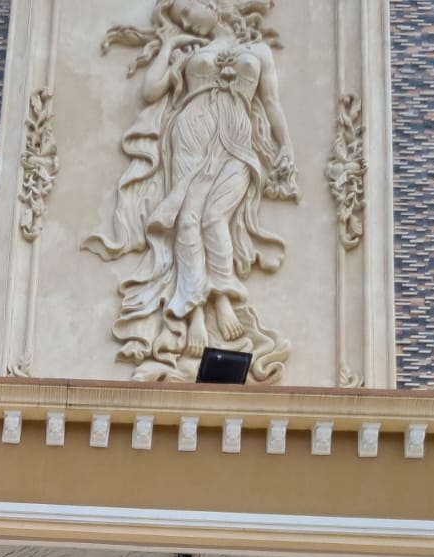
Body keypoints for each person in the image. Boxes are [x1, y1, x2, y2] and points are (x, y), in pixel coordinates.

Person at [84, 0, 298, 384]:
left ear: (211, 4)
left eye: (186, 11)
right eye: (180, 18)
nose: (186, 21)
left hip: (237, 137)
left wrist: (286, 147)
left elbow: (271, 102)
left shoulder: (259, 51)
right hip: (191, 133)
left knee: (215, 216)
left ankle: (222, 297)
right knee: (188, 219)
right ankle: (197, 310)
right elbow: (151, 91)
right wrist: (169, 44)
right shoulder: (189, 50)